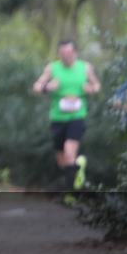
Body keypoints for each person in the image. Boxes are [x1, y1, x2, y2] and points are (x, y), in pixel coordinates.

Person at [32, 40, 101, 190]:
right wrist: (47, 87)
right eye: (62, 53)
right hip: (57, 117)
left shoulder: (85, 67)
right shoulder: (52, 68)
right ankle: (78, 169)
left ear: (75, 53)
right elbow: (36, 87)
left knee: (69, 152)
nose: (66, 56)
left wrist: (90, 89)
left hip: (77, 116)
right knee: (62, 160)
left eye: (69, 53)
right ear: (59, 54)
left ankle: (71, 193)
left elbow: (97, 85)